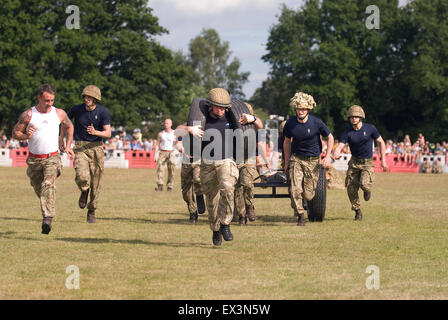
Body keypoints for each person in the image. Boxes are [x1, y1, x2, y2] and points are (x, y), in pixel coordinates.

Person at [11, 83, 74, 234]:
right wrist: (26, 135)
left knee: (48, 184)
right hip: (34, 160)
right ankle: (48, 207)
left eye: (52, 100)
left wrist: (66, 144)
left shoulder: (59, 113)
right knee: (39, 188)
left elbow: (70, 126)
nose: (50, 104)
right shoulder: (29, 115)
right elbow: (15, 133)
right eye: (47, 101)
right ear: (39, 98)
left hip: (52, 157)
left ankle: (47, 219)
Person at [183, 88, 239, 245]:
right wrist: (189, 129)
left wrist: (252, 118)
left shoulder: (231, 116)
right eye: (218, 107)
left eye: (224, 107)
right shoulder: (202, 118)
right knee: (212, 201)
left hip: (226, 160)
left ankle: (226, 223)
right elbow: (176, 131)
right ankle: (215, 229)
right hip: (206, 163)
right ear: (210, 106)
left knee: (228, 188)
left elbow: (257, 125)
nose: (221, 110)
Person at [283, 92, 334, 226]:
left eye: (304, 109)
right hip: (297, 159)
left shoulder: (316, 122)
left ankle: (304, 202)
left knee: (309, 195)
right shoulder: (290, 123)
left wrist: (327, 156)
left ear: (308, 110)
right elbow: (287, 142)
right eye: (299, 109)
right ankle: (300, 215)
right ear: (296, 109)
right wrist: (287, 161)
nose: (301, 111)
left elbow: (330, 137)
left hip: (313, 161)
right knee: (295, 189)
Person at [333, 105, 388, 221]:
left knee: (364, 184)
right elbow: (341, 145)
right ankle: (357, 211)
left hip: (367, 163)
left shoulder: (370, 129)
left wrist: (383, 160)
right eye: (352, 117)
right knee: (351, 188)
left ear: (361, 117)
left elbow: (381, 142)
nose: (354, 119)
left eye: (356, 116)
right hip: (354, 163)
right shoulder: (347, 132)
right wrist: (336, 152)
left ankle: (367, 190)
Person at [66, 85, 111, 223]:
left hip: (97, 148)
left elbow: (108, 133)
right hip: (80, 147)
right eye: (85, 96)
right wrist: (66, 143)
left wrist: (96, 132)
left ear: (96, 98)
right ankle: (84, 190)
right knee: (81, 175)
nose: (87, 99)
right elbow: (65, 123)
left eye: (90, 97)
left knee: (96, 183)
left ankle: (92, 210)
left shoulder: (103, 111)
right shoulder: (76, 109)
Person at [234, 102, 263, 225]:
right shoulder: (233, 122)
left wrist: (260, 159)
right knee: (238, 188)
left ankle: (250, 206)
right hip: (234, 158)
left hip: (249, 158)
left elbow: (260, 125)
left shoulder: (252, 124)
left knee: (247, 183)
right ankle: (241, 216)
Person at [175, 123, 206, 223]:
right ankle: (193, 212)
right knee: (186, 190)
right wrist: (188, 129)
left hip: (200, 159)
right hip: (186, 160)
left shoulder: (205, 122)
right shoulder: (187, 124)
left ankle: (200, 195)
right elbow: (177, 131)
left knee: (197, 179)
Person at [154, 118, 177, 191]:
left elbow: (177, 143)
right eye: (165, 123)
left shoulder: (175, 133)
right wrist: (155, 154)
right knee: (160, 168)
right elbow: (157, 144)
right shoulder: (161, 134)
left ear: (171, 124)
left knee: (172, 170)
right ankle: (160, 185)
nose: (165, 125)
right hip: (162, 152)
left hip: (171, 152)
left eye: (167, 123)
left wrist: (177, 151)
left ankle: (170, 186)